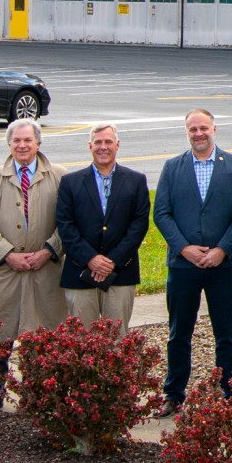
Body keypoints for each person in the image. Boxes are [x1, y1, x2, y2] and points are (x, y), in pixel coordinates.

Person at [153, 108, 232, 413]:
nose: (199, 134)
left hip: (223, 265)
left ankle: (230, 393)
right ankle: (174, 393)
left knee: (226, 333)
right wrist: (184, 248)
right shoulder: (172, 167)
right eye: (193, 129)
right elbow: (162, 213)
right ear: (187, 132)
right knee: (179, 332)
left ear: (214, 129)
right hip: (183, 266)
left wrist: (222, 249)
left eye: (203, 128)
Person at [0, 118, 67, 407]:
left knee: (43, 332)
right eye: (17, 141)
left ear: (38, 143)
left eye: (28, 140)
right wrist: (8, 254)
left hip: (45, 269)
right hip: (5, 270)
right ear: (9, 144)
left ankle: (40, 392)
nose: (22, 145)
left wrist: (49, 251)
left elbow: (69, 222)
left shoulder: (61, 177)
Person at [55, 122, 152, 329]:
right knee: (82, 342)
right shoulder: (70, 182)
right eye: (98, 142)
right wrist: (90, 259)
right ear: (90, 146)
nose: (103, 147)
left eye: (108, 142)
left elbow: (139, 225)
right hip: (79, 273)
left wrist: (112, 261)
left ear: (117, 145)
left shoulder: (136, 180)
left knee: (117, 340)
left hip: (121, 272)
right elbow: (65, 225)